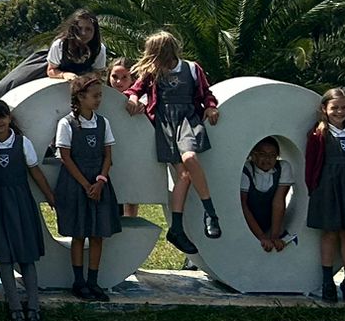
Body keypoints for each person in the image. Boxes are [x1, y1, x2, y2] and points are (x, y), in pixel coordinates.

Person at [128, 31, 222, 256]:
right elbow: (135, 89)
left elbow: (205, 93)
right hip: (164, 125)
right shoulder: (152, 72)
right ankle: (177, 228)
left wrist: (210, 107)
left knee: (190, 158)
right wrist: (133, 98)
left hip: (187, 120)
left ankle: (210, 212)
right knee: (183, 176)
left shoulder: (191, 68)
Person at [0, 99, 53, 321]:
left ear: (9, 118)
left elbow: (35, 172)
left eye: (3, 116)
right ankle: (15, 309)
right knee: (5, 257)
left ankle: (34, 308)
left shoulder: (22, 142)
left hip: (20, 205)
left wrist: (50, 196)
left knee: (26, 256)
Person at [53, 73, 123, 301]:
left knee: (97, 234)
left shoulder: (103, 123)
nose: (98, 99)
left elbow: (108, 155)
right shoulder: (67, 123)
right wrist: (86, 185)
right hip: (76, 185)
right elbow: (65, 157)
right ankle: (79, 282)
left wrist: (100, 181)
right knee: (78, 234)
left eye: (100, 95)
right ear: (80, 97)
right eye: (94, 96)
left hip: (99, 184)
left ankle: (93, 281)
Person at [304, 88, 345, 304]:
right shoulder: (318, 134)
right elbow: (311, 165)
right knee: (329, 233)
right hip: (327, 187)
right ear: (324, 109)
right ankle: (327, 281)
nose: (339, 111)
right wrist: (313, 188)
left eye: (344, 108)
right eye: (334, 108)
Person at [0, 6, 105, 100]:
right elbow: (51, 70)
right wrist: (64, 75)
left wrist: (85, 78)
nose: (83, 33)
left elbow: (98, 72)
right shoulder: (60, 45)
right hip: (50, 67)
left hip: (82, 78)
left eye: (88, 29)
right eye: (79, 29)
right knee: (11, 84)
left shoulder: (99, 49)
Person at [239, 137, 298, 257]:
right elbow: (243, 205)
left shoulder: (283, 167)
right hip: (247, 222)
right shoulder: (246, 170)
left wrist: (274, 236)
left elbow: (278, 202)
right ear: (253, 155)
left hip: (269, 222)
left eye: (272, 155)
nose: (267, 159)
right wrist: (261, 237)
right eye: (262, 154)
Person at [106, 58, 141, 218]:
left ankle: (130, 220)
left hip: (130, 153)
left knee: (130, 194)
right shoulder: (100, 99)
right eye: (114, 77)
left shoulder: (140, 101)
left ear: (133, 79)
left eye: (124, 77)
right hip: (107, 154)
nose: (119, 82)